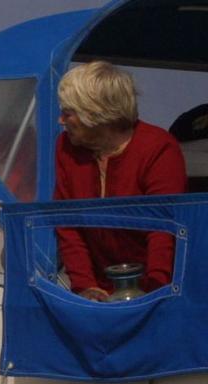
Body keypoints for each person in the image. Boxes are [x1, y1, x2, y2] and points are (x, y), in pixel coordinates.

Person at [52, 61, 187, 301]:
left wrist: (154, 291)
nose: (61, 120)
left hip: (158, 288)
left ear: (94, 114)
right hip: (99, 288)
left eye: (68, 112)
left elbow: (163, 227)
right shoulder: (66, 148)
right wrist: (86, 287)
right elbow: (68, 224)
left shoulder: (158, 147)